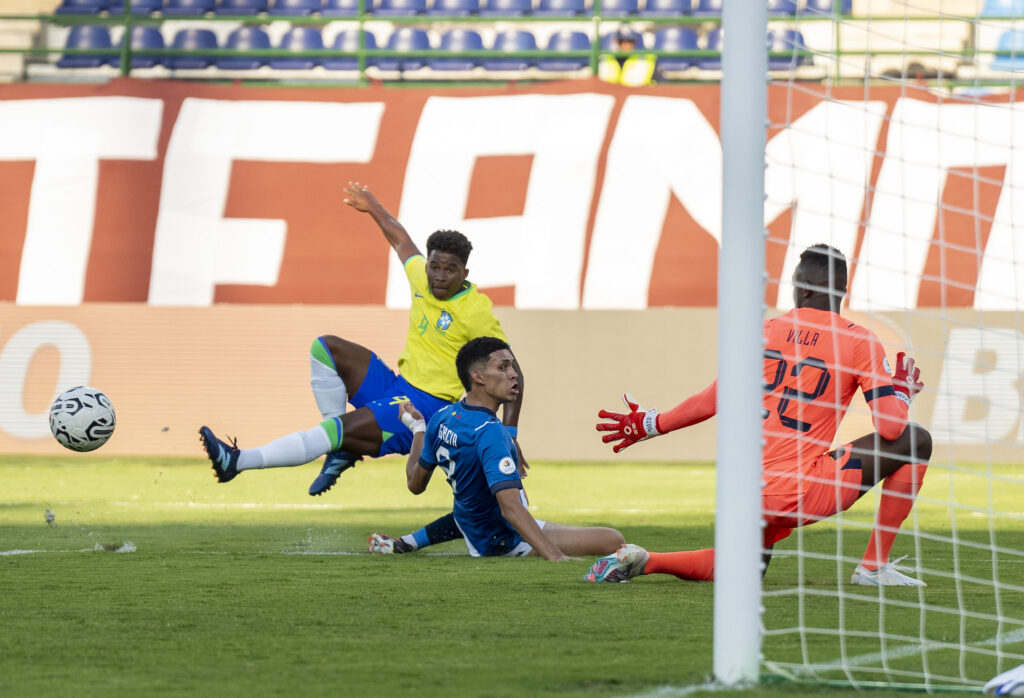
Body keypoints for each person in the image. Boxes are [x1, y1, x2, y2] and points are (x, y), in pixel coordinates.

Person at [199, 183, 526, 551]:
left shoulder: (475, 311)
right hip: (398, 385)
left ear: (465, 271)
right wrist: (372, 206)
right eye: (434, 266)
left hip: (428, 408)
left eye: (449, 270)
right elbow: (400, 238)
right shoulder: (422, 277)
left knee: (337, 429)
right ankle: (339, 448)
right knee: (326, 349)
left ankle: (238, 462)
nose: (438, 276)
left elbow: (515, 374)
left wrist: (509, 436)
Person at [585, 244, 932, 586]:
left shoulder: (764, 331)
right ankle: (872, 567)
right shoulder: (860, 342)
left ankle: (647, 561)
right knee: (915, 440)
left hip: (746, 491)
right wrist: (899, 394)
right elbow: (890, 428)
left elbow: (710, 401)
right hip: (801, 492)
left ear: (804, 287)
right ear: (842, 290)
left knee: (745, 570)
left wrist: (651, 424)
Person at [402, 336, 625, 560]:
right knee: (613, 540)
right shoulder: (489, 431)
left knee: (491, 495)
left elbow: (415, 484)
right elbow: (510, 509)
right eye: (502, 367)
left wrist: (418, 428)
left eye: (512, 367)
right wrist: (556, 556)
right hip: (503, 540)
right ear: (478, 377)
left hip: (473, 523)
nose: (514, 374)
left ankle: (413, 540)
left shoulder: (442, 417)